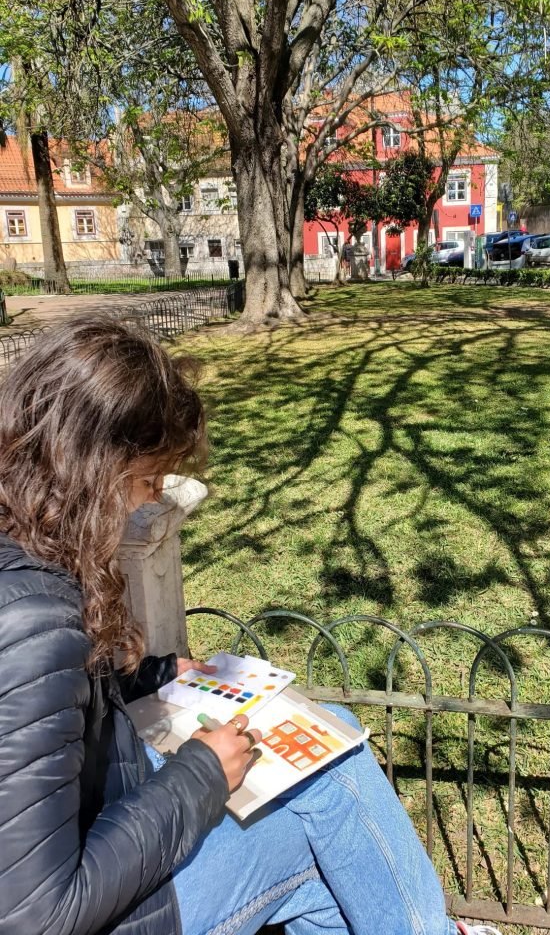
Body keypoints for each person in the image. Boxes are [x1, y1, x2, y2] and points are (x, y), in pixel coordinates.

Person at [0, 317, 500, 935]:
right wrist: (203, 773)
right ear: (97, 471)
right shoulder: (35, 623)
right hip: (98, 897)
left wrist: (157, 675)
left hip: (102, 798)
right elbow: (34, 916)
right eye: (147, 482)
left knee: (334, 734)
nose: (148, 504)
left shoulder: (26, 550)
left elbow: (36, 726)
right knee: (325, 847)